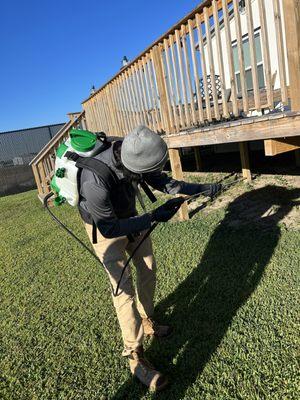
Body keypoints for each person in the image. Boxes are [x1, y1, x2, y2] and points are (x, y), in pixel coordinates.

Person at [78, 125, 221, 392]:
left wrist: (200, 188)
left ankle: (146, 319)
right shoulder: (93, 180)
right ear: (134, 169)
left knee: (148, 268)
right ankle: (135, 356)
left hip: (132, 217)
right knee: (123, 291)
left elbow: (166, 183)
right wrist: (153, 216)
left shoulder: (134, 154)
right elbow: (109, 227)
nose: (150, 175)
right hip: (104, 228)